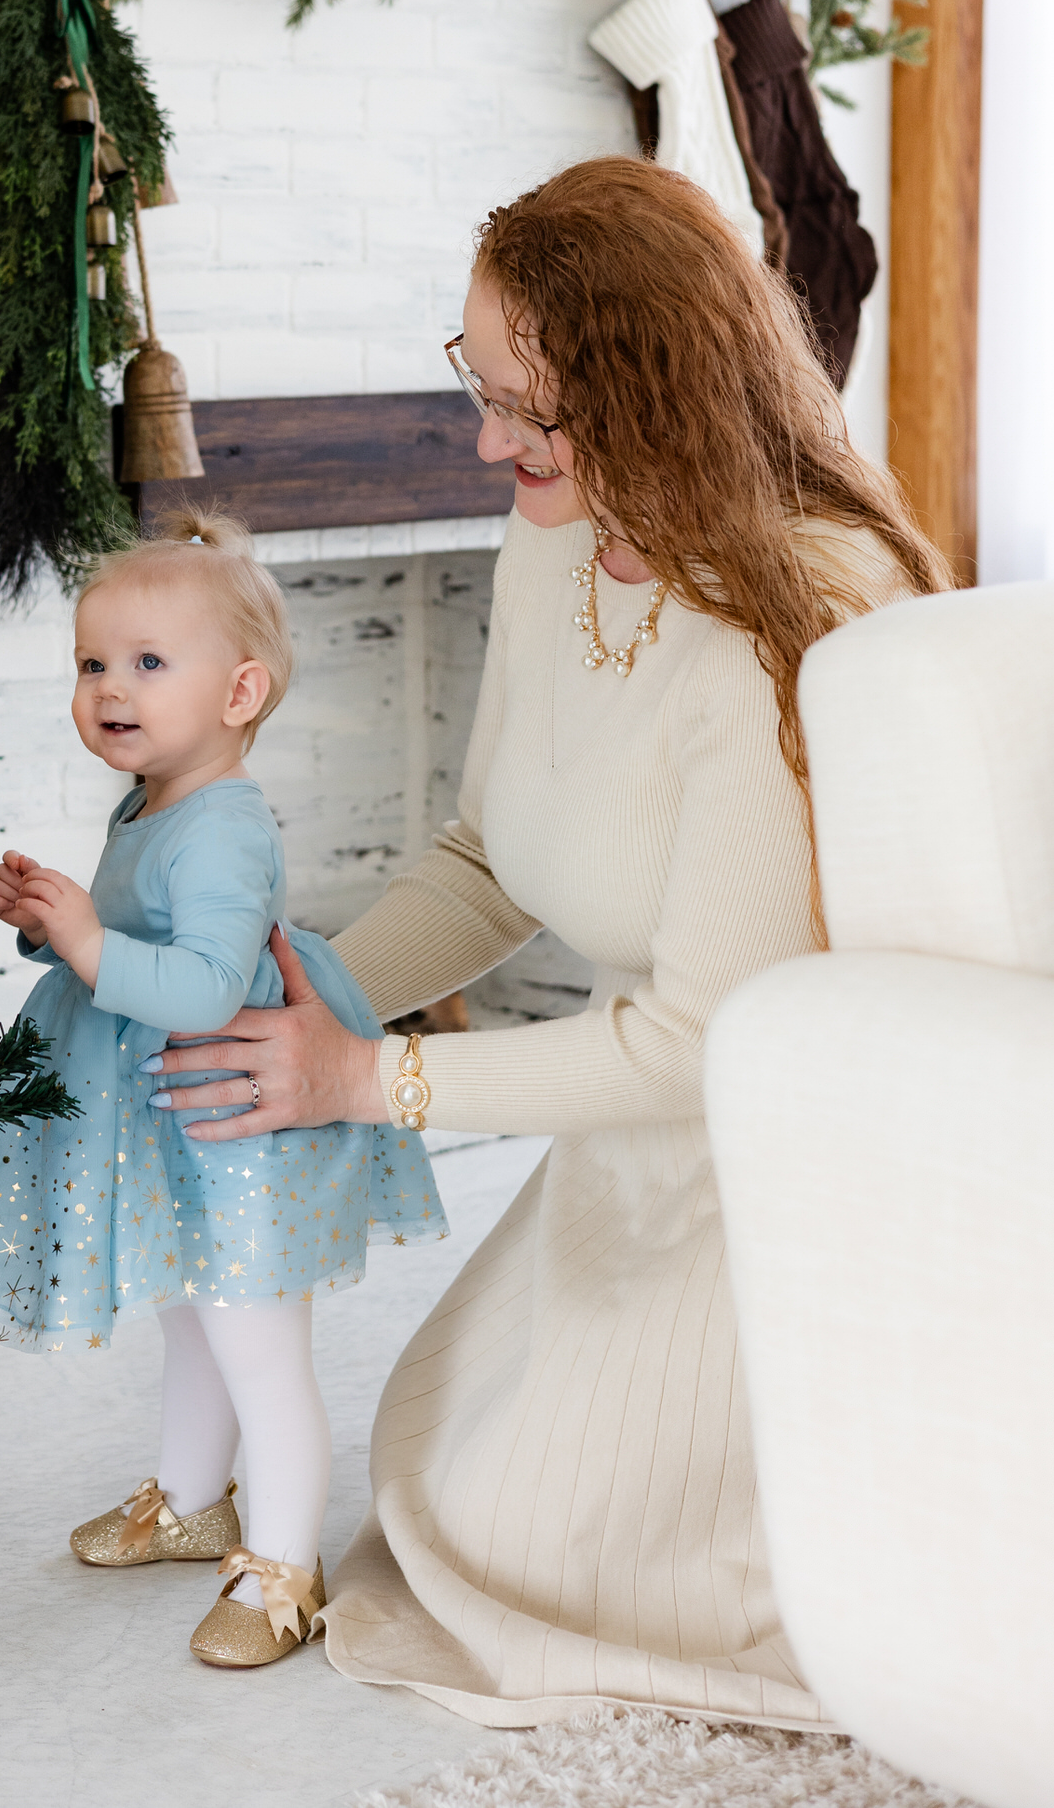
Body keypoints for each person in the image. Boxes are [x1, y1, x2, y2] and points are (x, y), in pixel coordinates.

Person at [144, 157, 950, 1729]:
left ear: (656, 389)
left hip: (791, 1165)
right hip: (639, 1141)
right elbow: (489, 856)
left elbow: (700, 1040)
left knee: (539, 1549)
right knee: (433, 1472)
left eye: (533, 403)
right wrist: (310, 995)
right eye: (479, 380)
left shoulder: (783, 632)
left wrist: (365, 1084)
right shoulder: (559, 538)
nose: (486, 436)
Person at [0, 510, 445, 1671]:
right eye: (90, 662)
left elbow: (204, 986)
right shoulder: (152, 799)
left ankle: (283, 1564)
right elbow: (127, 940)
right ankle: (187, 1498)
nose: (106, 687)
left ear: (238, 693)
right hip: (170, 1123)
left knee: (254, 1345)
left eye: (144, 663)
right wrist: (54, 928)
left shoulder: (221, 828)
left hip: (233, 1117)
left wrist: (81, 933)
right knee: (189, 1314)